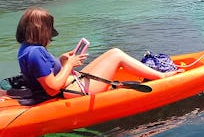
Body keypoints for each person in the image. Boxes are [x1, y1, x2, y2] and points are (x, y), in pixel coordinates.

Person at [16, 7, 176, 100]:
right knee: (116, 55)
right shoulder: (35, 53)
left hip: (72, 82)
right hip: (72, 91)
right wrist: (69, 65)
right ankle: (162, 77)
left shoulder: (27, 48)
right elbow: (51, 89)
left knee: (112, 53)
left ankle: (153, 73)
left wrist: (62, 61)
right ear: (41, 31)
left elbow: (42, 74)